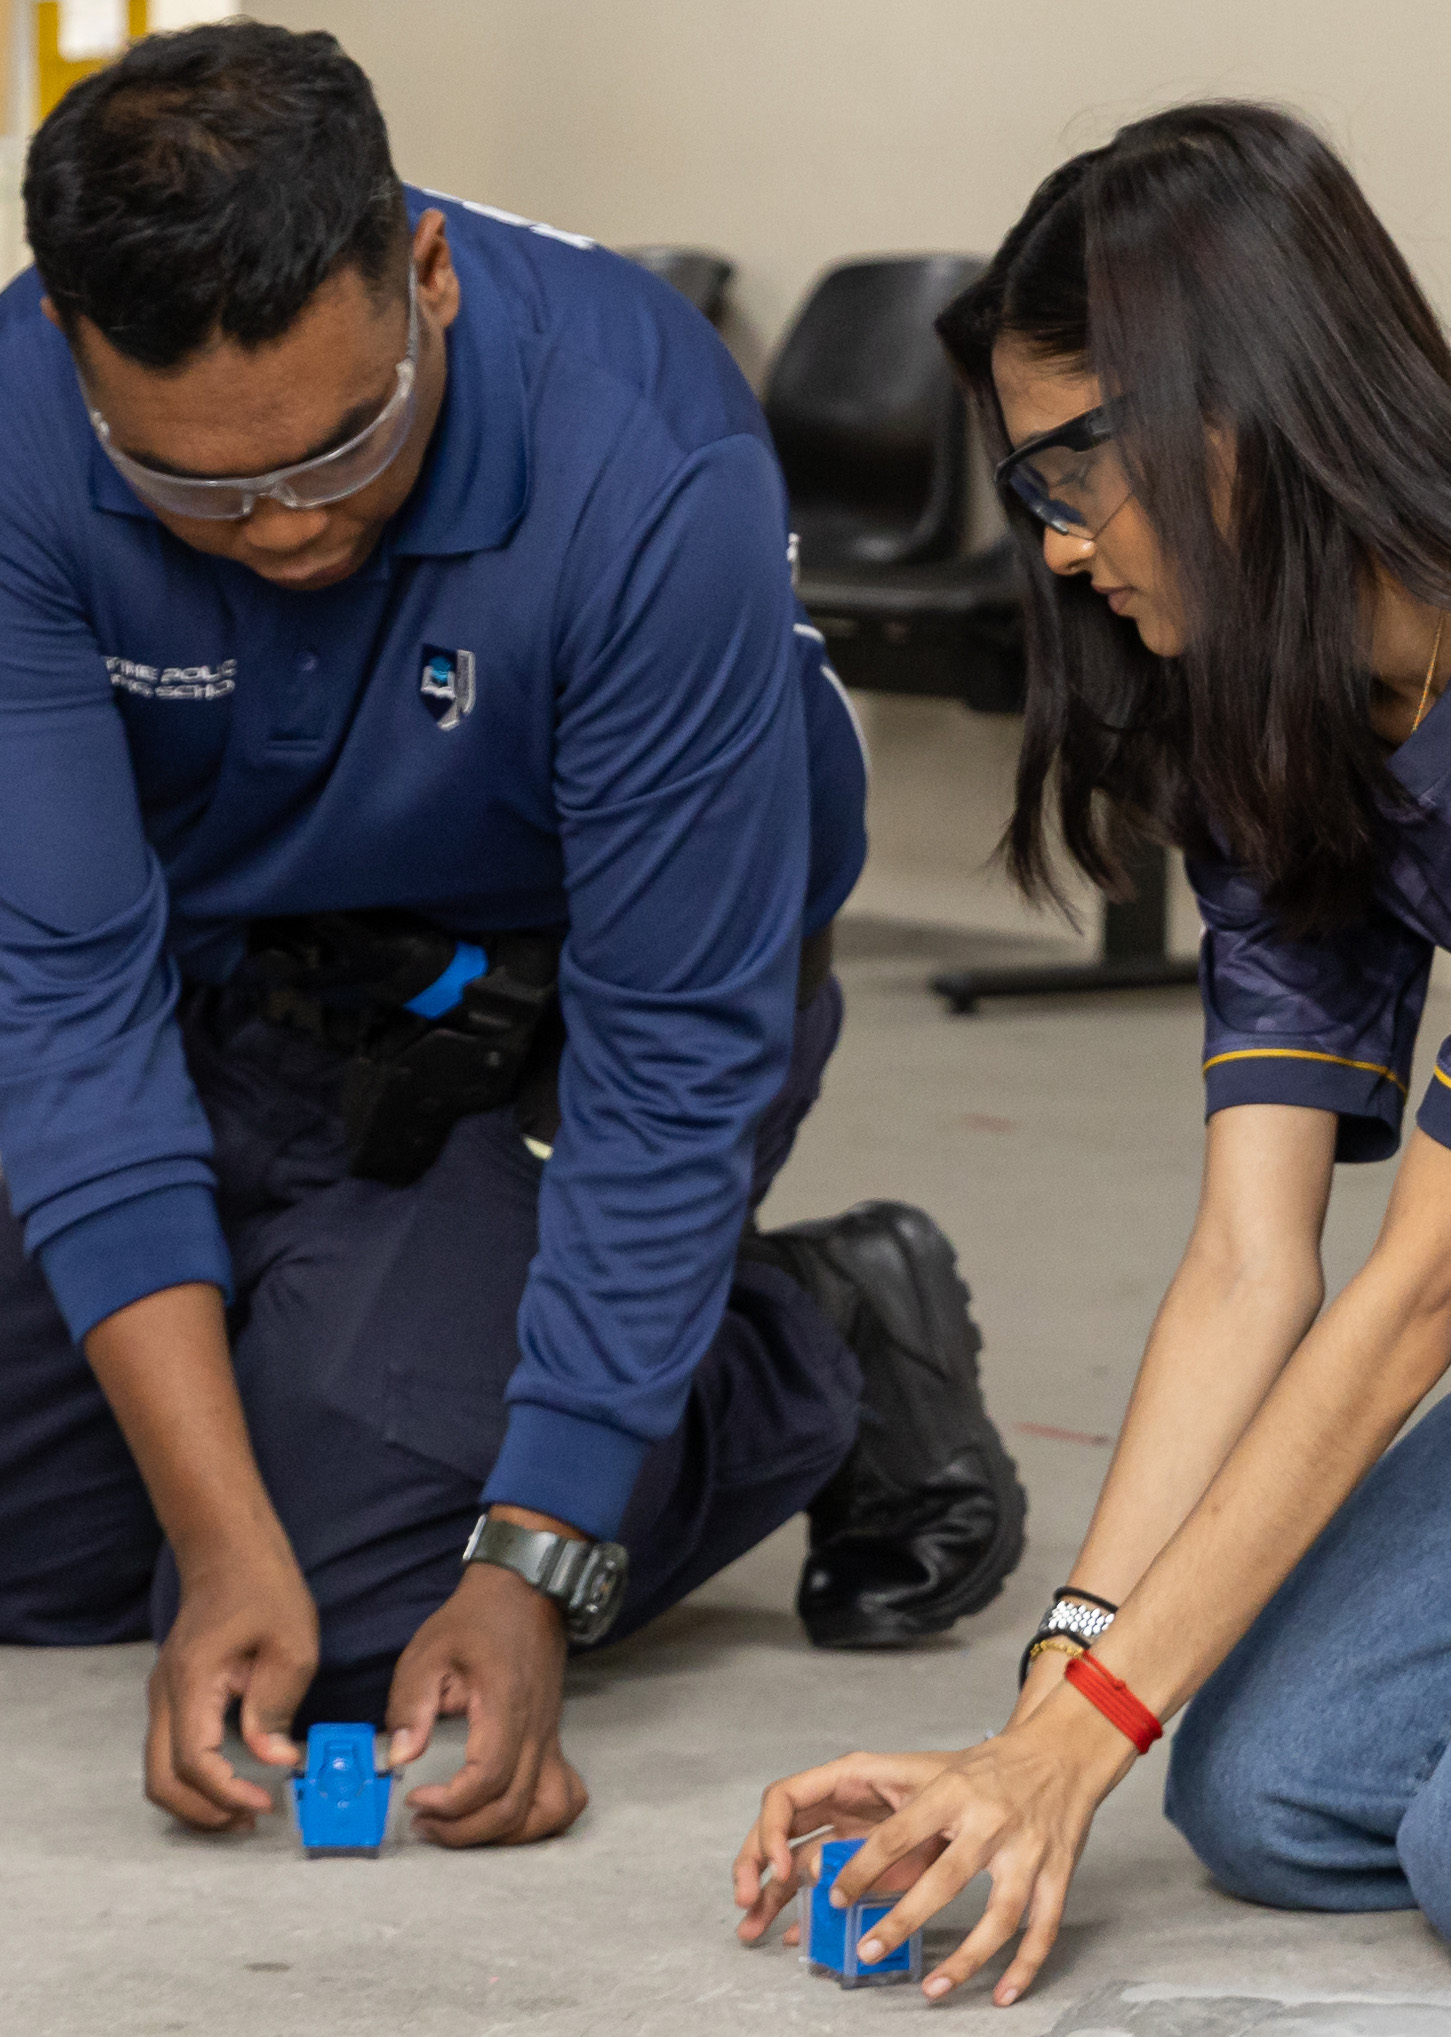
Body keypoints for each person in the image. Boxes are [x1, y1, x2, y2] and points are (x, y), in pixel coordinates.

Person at [0, 22, 1025, 1847]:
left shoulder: (646, 459)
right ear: (78, 363)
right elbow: (69, 1005)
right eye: (199, 494)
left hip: (568, 1012)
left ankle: (807, 1341)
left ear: (428, 276)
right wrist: (221, 1532)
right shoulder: (13, 438)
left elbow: (674, 1048)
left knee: (359, 1614)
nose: (288, 530)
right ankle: (338, 1337)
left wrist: (542, 1554)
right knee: (135, 1544)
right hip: (246, 989)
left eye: (339, 447)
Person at [736, 99, 1451, 2001]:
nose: (1055, 549)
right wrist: (1047, 1710)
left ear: (1245, 417)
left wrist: (1073, 1749)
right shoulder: (1272, 719)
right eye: (1027, 485)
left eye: (1074, 469)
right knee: (1257, 1791)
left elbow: (1423, 1290)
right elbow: (1250, 1263)